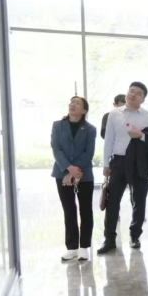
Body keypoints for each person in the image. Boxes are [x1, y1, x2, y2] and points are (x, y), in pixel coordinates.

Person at [98, 82, 148, 254]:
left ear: (143, 99)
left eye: (138, 93)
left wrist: (141, 135)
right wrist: (106, 164)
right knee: (112, 201)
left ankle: (135, 236)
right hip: (118, 161)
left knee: (139, 201)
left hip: (139, 162)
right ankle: (109, 239)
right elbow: (109, 140)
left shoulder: (147, 116)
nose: (133, 94)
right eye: (131, 91)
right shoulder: (114, 114)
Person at [51, 96, 97, 261]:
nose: (73, 105)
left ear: (84, 110)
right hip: (61, 173)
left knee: (85, 210)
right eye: (71, 102)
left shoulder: (90, 129)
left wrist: (73, 172)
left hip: (84, 174)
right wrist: (68, 169)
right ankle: (72, 248)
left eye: (77, 103)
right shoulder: (58, 125)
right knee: (69, 210)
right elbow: (56, 148)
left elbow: (89, 153)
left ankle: (84, 247)